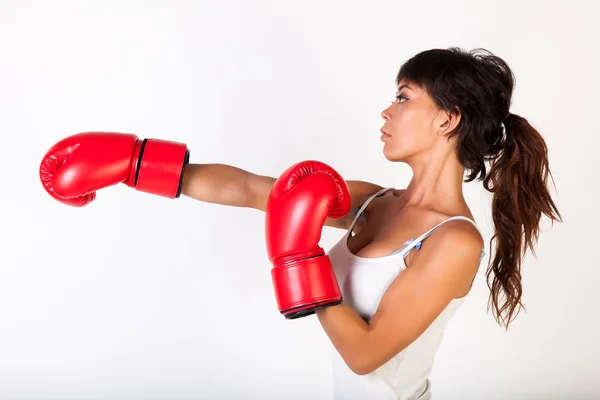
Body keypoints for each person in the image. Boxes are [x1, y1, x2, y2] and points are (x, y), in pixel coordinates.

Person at [39, 47, 562, 399]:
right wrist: (133, 163)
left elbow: (365, 354)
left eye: (403, 97)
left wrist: (298, 257)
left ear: (448, 119)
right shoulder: (376, 202)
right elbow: (248, 189)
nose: (386, 111)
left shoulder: (453, 240)